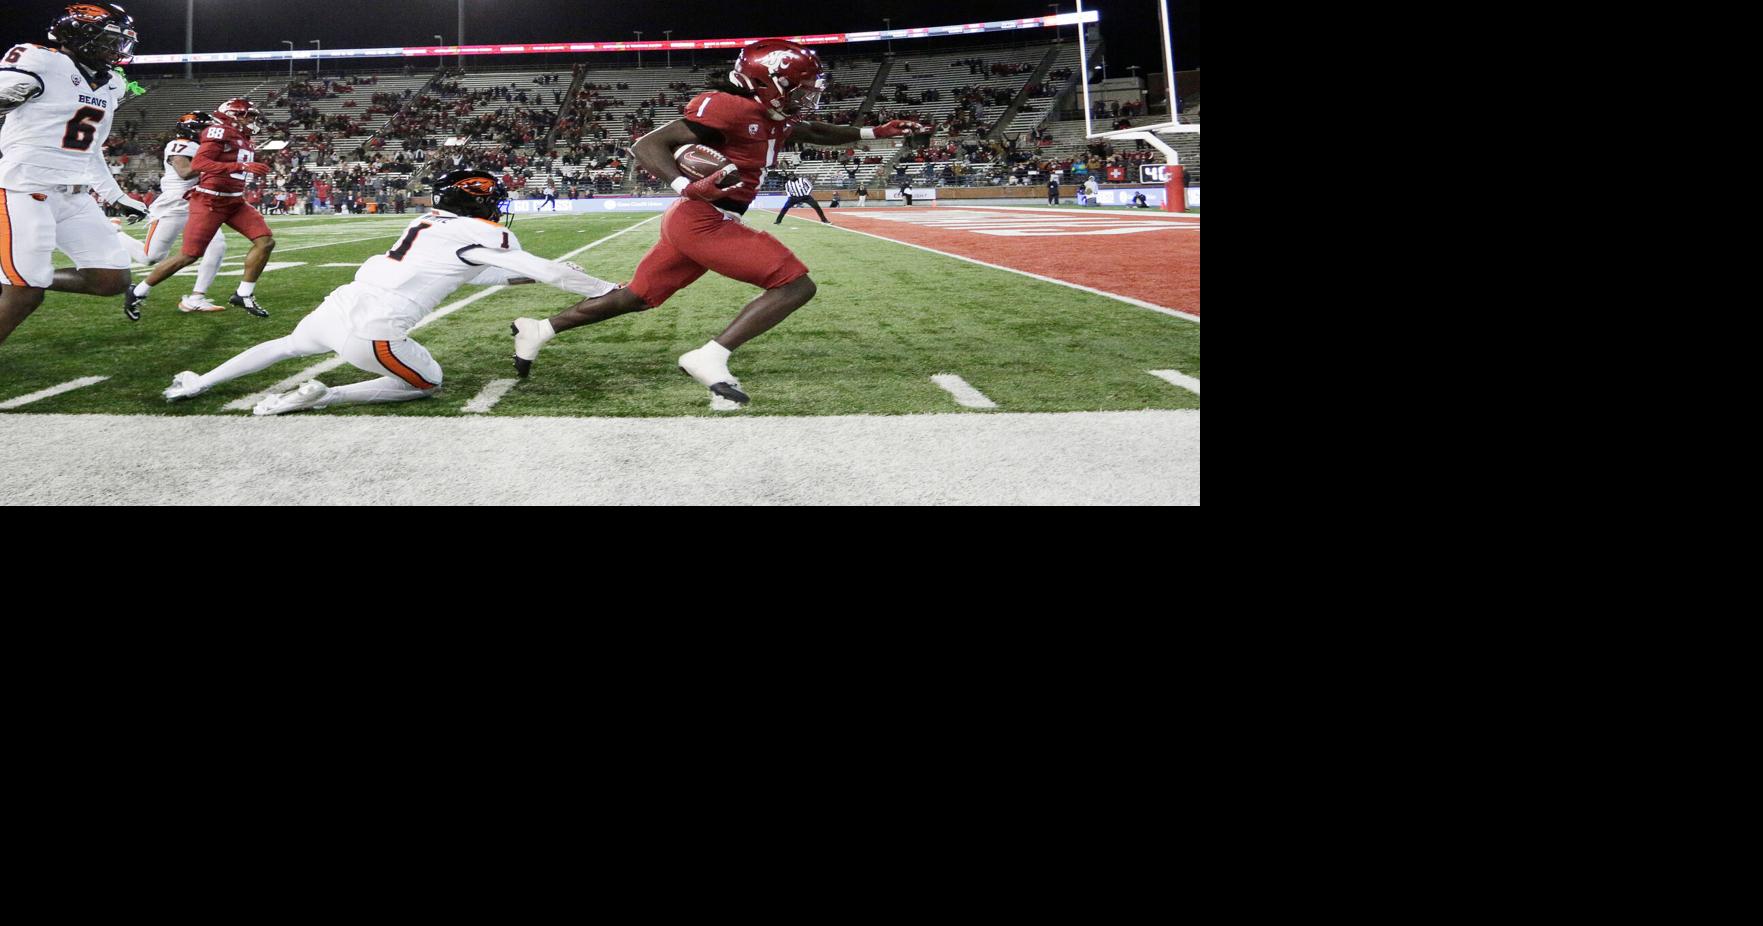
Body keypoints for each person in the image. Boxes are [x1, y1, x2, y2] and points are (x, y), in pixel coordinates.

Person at [510, 39, 927, 408]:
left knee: (637, 297)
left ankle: (540, 329)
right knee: (795, 284)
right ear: (768, 83)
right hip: (703, 217)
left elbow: (813, 130)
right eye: (799, 88)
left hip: (702, 219)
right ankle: (710, 355)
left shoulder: (771, 113)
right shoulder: (728, 106)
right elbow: (648, 144)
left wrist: (874, 132)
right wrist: (683, 186)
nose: (807, 97)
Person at [163, 170, 615, 415]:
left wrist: (528, 277)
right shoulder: (485, 234)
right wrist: (604, 288)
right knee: (426, 383)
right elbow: (540, 269)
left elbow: (465, 274)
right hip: (376, 329)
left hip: (340, 304)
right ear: (475, 203)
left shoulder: (427, 224)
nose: (495, 207)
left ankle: (198, 383)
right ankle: (325, 398)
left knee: (284, 347)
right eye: (491, 199)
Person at [0, 3, 150, 347]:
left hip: (74, 195)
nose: (116, 49)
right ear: (79, 33)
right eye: (110, 38)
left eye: (122, 41)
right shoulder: (41, 61)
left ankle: (18, 275)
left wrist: (118, 197)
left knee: (111, 280)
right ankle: (20, 279)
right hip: (24, 189)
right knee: (25, 295)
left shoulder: (112, 84)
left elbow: (91, 150)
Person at [127, 98, 277, 319]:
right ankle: (138, 291)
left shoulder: (242, 137)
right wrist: (240, 166)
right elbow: (197, 166)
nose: (253, 120)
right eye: (248, 115)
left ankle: (242, 294)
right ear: (234, 115)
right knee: (188, 255)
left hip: (234, 201)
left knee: (265, 241)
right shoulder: (216, 132)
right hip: (207, 202)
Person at [110, 112, 230, 312]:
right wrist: (218, 165)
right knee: (150, 258)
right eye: (204, 128)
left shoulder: (203, 146)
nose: (208, 132)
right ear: (190, 129)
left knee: (217, 246)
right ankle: (116, 233)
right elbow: (184, 173)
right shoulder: (179, 145)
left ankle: (196, 298)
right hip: (175, 205)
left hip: (198, 203)